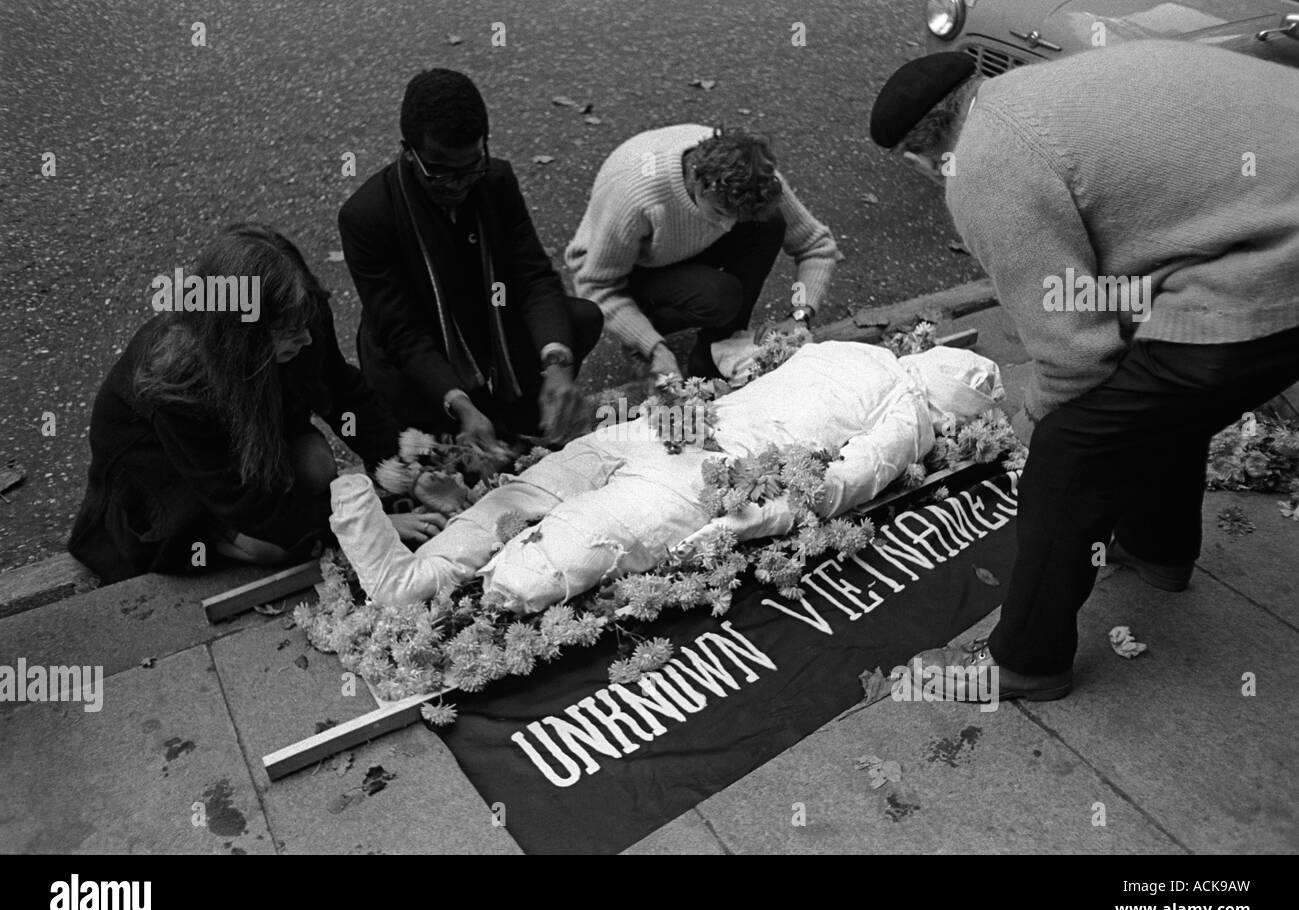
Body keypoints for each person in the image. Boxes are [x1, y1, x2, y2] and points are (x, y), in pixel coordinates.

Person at [869, 42, 1299, 701]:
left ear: (918, 156)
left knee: (1074, 450)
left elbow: (1076, 356)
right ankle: (1158, 547)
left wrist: (1034, 414)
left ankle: (1024, 662)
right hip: (1265, 225)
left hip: (1269, 277)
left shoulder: (983, 165)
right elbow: (1127, 279)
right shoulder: (1035, 92)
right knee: (1155, 392)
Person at [328, 342, 1003, 611]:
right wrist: (748, 523)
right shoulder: (908, 414)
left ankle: (381, 532)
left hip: (676, 429)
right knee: (556, 550)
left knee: (532, 492)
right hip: (704, 473)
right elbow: (840, 486)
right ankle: (409, 580)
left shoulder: (849, 349)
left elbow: (757, 374)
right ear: (953, 409)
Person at [68, 223, 445, 584]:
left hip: (242, 427)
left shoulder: (301, 312)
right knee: (272, 548)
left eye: (304, 325)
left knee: (316, 464)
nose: (306, 340)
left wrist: (402, 471)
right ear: (239, 336)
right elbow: (238, 499)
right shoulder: (177, 381)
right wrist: (366, 528)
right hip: (167, 471)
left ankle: (302, 512)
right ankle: (221, 536)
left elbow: (345, 392)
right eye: (288, 332)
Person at [339, 68, 602, 460]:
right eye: (441, 173)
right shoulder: (367, 216)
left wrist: (557, 364)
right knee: (436, 456)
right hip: (419, 354)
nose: (460, 185)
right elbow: (403, 332)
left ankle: (516, 411)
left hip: (485, 324)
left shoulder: (496, 180)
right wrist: (460, 404)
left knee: (578, 320)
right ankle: (472, 415)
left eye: (471, 166)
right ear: (408, 152)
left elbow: (533, 276)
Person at [565, 125, 840, 380]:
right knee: (719, 296)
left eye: (737, 218)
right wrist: (654, 347)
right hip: (627, 266)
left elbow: (815, 246)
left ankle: (717, 351)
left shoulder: (757, 175)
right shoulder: (638, 199)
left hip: (684, 244)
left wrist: (799, 313)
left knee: (769, 224)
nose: (729, 225)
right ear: (698, 180)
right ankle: (642, 336)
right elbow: (596, 284)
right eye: (721, 212)